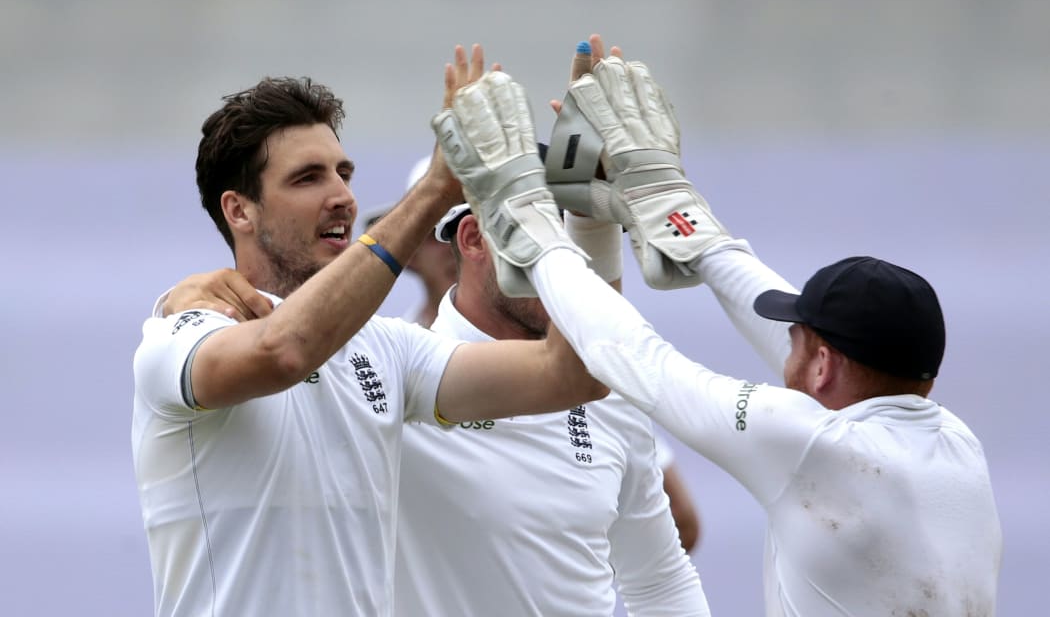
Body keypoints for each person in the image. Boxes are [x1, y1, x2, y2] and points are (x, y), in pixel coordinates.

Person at [431, 34, 1003, 616]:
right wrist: (674, 208)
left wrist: (528, 217)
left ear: (825, 365)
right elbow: (768, 308)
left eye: (796, 337)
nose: (783, 344)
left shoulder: (807, 442)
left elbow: (634, 357)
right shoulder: (957, 444)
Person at [131, 45, 607, 617]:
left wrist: (588, 215)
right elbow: (283, 351)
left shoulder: (387, 346)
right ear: (239, 211)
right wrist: (436, 191)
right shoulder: (178, 336)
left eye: (344, 172)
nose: (343, 197)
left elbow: (576, 371)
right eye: (308, 178)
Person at [371, 152, 702, 551]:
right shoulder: (386, 365)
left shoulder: (603, 372)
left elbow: (672, 534)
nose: (444, 248)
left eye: (562, 232)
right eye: (430, 232)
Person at [362, 155, 458, 326]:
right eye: (438, 232)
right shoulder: (389, 350)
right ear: (409, 253)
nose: (460, 245)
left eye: (477, 228)